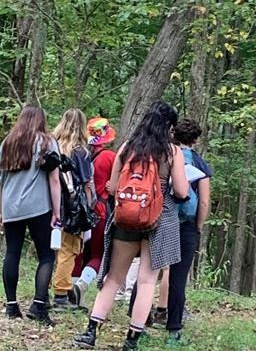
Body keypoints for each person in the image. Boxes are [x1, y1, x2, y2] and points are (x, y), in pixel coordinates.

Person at [73, 101, 189, 351]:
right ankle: (132, 339)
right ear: (169, 126)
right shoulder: (172, 152)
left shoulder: (127, 148)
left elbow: (113, 188)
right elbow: (181, 190)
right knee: (147, 281)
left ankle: (91, 331)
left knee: (114, 278)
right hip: (157, 220)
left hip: (125, 218)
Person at [0, 106, 61, 325]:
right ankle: (39, 305)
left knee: (12, 253)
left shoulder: (8, 143)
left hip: (11, 208)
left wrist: (1, 210)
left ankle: (11, 306)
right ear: (42, 121)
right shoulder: (47, 143)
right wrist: (57, 212)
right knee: (47, 256)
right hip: (39, 207)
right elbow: (54, 180)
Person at [166, 118, 212, 344]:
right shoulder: (200, 164)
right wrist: (199, 227)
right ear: (195, 139)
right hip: (186, 226)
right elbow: (203, 202)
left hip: (163, 219)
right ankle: (173, 330)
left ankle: (138, 322)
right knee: (178, 277)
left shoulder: (164, 156)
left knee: (148, 273)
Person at [69, 117, 117, 309]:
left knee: (78, 253)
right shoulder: (110, 158)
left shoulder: (80, 154)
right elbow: (116, 185)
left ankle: (70, 293)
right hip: (100, 210)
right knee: (98, 253)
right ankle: (82, 284)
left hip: (79, 210)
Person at [51, 109, 94, 311]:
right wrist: (90, 204)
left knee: (55, 250)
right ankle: (61, 293)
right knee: (70, 249)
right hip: (72, 206)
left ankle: (54, 288)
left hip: (51, 203)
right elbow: (86, 183)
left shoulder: (52, 148)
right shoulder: (81, 152)